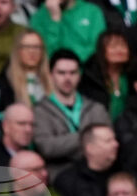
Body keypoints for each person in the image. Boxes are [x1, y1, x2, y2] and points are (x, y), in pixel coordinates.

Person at [33, 49, 111, 179]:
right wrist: (88, 139)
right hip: (61, 176)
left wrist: (65, 143)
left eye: (73, 73)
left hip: (97, 175)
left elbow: (108, 145)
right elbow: (46, 147)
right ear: (51, 75)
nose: (67, 78)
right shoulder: (40, 110)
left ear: (79, 75)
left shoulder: (96, 109)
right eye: (61, 73)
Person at [29, 0, 106, 63]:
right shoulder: (38, 16)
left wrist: (71, 64)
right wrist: (54, 20)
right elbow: (44, 55)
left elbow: (97, 48)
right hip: (51, 75)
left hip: (86, 73)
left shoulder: (92, 12)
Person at [0, 29, 53, 125]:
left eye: (37, 47)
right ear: (17, 50)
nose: (32, 51)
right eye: (26, 47)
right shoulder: (1, 84)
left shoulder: (53, 83)